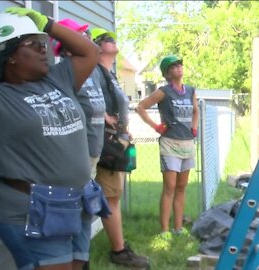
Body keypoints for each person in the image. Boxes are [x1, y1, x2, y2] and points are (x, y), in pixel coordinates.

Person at [0, 7, 98, 270]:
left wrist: (47, 23)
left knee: (79, 265)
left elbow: (89, 51)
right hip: (33, 209)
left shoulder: (58, 79)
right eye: (33, 44)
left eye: (43, 43)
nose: (43, 49)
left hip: (77, 201)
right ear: (10, 55)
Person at [91, 27, 150, 269]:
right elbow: (87, 97)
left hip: (117, 140)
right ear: (97, 46)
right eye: (108, 40)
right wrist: (104, 116)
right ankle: (119, 251)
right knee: (111, 197)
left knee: (113, 195)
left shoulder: (108, 73)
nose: (114, 42)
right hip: (106, 143)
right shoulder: (93, 72)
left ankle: (119, 245)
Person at [135, 55, 199, 236]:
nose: (178, 67)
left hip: (187, 144)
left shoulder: (191, 91)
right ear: (167, 73)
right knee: (170, 187)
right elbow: (140, 107)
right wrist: (155, 126)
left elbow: (195, 111)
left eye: (180, 64)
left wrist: (194, 127)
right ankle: (164, 230)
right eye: (173, 66)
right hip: (170, 144)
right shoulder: (163, 92)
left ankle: (178, 228)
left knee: (181, 187)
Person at [51, 19, 105, 180]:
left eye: (86, 34)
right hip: (78, 154)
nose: (88, 38)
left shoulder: (94, 71)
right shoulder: (64, 75)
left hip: (95, 149)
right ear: (67, 49)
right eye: (81, 36)